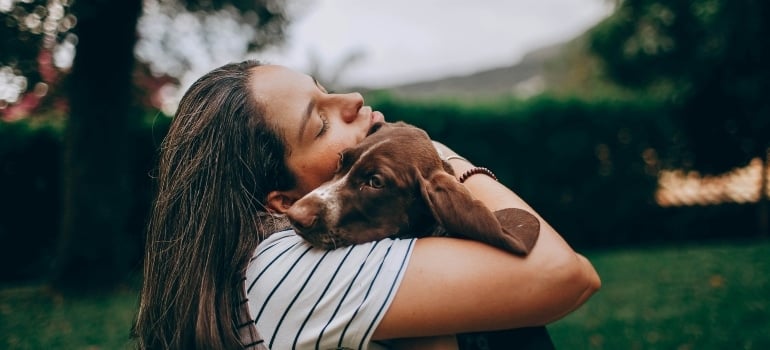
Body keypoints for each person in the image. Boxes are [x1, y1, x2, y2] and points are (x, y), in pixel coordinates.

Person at [132, 59, 601, 349]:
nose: (353, 99)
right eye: (319, 122)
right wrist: (438, 157)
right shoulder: (285, 265)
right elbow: (566, 275)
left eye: (323, 88)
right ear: (282, 201)